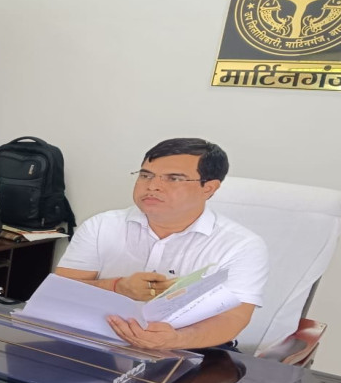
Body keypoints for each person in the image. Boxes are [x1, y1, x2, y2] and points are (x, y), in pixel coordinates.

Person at [56, 138, 268, 351]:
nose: (152, 186)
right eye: (146, 175)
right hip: (98, 337)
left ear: (209, 188)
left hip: (191, 347)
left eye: (174, 178)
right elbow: (60, 292)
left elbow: (233, 318)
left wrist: (176, 340)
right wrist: (117, 287)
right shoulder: (101, 225)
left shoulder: (241, 245)